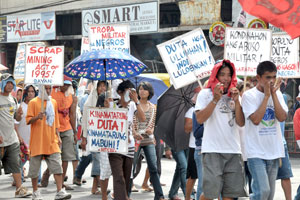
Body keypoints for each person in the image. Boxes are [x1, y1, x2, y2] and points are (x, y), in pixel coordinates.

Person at [195, 59, 247, 200]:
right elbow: (200, 119)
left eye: (229, 74)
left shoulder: (235, 95)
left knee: (229, 195)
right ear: (215, 76)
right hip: (212, 150)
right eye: (222, 74)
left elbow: (241, 123)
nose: (226, 78)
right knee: (210, 194)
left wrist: (237, 101)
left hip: (233, 150)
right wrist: (215, 99)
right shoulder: (205, 94)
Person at [241, 61, 287, 200]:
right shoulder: (249, 96)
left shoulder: (277, 94)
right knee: (263, 192)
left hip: (273, 150)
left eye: (274, 77)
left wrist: (273, 95)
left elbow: (282, 117)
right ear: (258, 77)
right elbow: (255, 120)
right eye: (268, 77)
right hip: (255, 152)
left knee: (270, 195)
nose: (271, 81)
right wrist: (266, 96)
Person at [26, 85, 71, 200]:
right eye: (45, 88)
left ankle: (60, 191)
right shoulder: (33, 102)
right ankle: (35, 192)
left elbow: (55, 121)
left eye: (49, 88)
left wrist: (58, 136)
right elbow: (28, 120)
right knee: (34, 170)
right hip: (37, 141)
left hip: (51, 140)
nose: (47, 90)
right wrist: (37, 117)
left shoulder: (53, 102)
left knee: (57, 167)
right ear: (41, 89)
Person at [108, 80, 146, 200]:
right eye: (128, 91)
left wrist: (137, 101)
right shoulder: (111, 104)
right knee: (118, 176)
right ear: (119, 92)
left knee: (126, 175)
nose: (130, 94)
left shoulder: (133, 105)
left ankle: (123, 196)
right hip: (115, 147)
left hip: (129, 146)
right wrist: (105, 107)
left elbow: (142, 118)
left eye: (132, 92)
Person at [42, 75, 78, 190]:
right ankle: (47, 172)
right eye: (64, 83)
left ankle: (61, 183)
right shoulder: (51, 92)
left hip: (67, 128)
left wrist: (75, 130)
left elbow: (72, 114)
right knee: (55, 155)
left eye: (68, 84)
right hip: (53, 128)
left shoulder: (72, 96)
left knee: (66, 156)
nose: (66, 86)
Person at [130, 81, 165, 199]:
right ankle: (126, 194)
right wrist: (134, 133)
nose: (142, 91)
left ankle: (159, 195)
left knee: (153, 167)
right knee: (132, 167)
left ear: (149, 92)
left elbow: (153, 123)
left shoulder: (153, 107)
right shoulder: (132, 105)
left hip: (148, 140)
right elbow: (130, 122)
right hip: (135, 140)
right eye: (140, 89)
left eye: (145, 89)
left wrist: (151, 131)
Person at [0, 73, 32, 198]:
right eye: (7, 82)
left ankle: (19, 189)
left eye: (11, 83)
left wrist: (19, 114)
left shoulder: (13, 100)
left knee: (15, 164)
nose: (9, 85)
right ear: (2, 84)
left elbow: (16, 118)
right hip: (1, 139)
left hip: (12, 138)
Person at [81, 81, 111, 199]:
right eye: (101, 86)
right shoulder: (89, 101)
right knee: (97, 159)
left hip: (105, 136)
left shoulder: (109, 99)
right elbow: (85, 120)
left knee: (100, 160)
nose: (103, 88)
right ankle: (97, 186)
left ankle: (96, 186)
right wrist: (84, 137)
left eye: (105, 86)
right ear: (97, 87)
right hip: (92, 135)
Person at [14, 85, 41, 184]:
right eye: (29, 91)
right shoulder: (20, 106)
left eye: (32, 91)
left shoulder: (38, 106)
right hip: (23, 140)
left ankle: (38, 181)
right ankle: (18, 180)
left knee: (36, 160)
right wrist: (18, 136)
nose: (30, 93)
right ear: (25, 93)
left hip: (35, 138)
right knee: (20, 162)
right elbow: (15, 124)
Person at [184, 87, 201, 200]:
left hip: (209, 146)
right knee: (192, 176)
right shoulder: (191, 111)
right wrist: (198, 118)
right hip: (194, 146)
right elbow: (187, 128)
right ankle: (187, 197)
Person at [277, 93, 293, 200]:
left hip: (281, 143)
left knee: (286, 175)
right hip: (264, 144)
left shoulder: (282, 96)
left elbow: (283, 116)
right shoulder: (256, 95)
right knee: (265, 181)